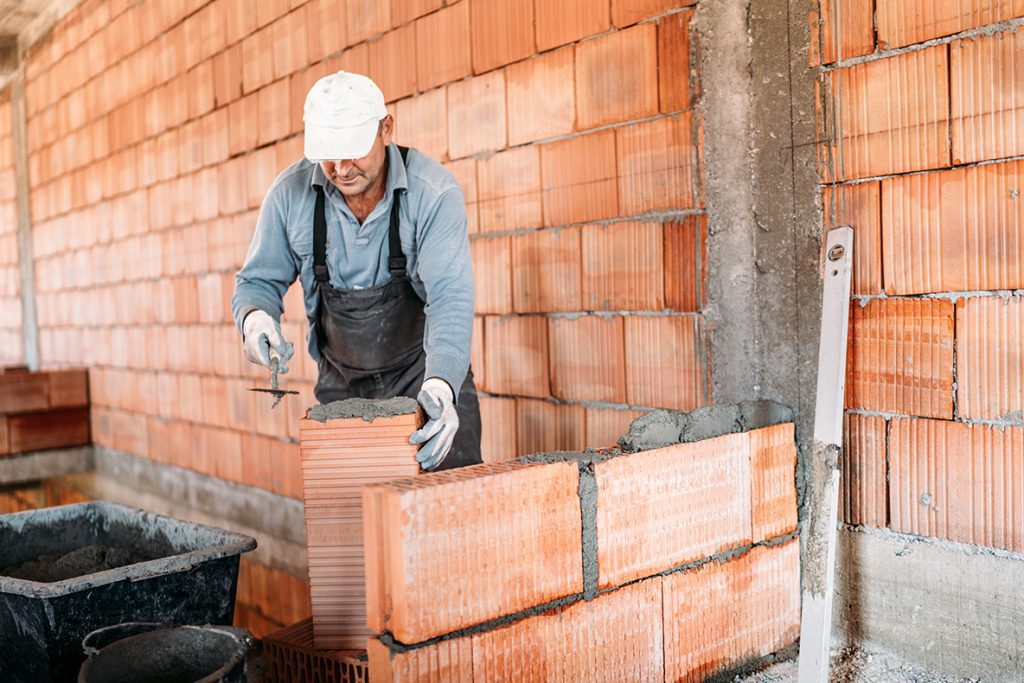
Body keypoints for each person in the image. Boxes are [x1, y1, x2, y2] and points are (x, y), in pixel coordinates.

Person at [231, 70, 480, 471]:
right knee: (348, 519)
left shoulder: (433, 194)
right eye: (328, 154)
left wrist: (442, 387)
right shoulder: (289, 196)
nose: (341, 168)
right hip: (342, 389)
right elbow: (257, 281)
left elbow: (450, 297)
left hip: (424, 379)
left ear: (386, 129)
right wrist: (255, 319)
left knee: (448, 514)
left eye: (353, 151)